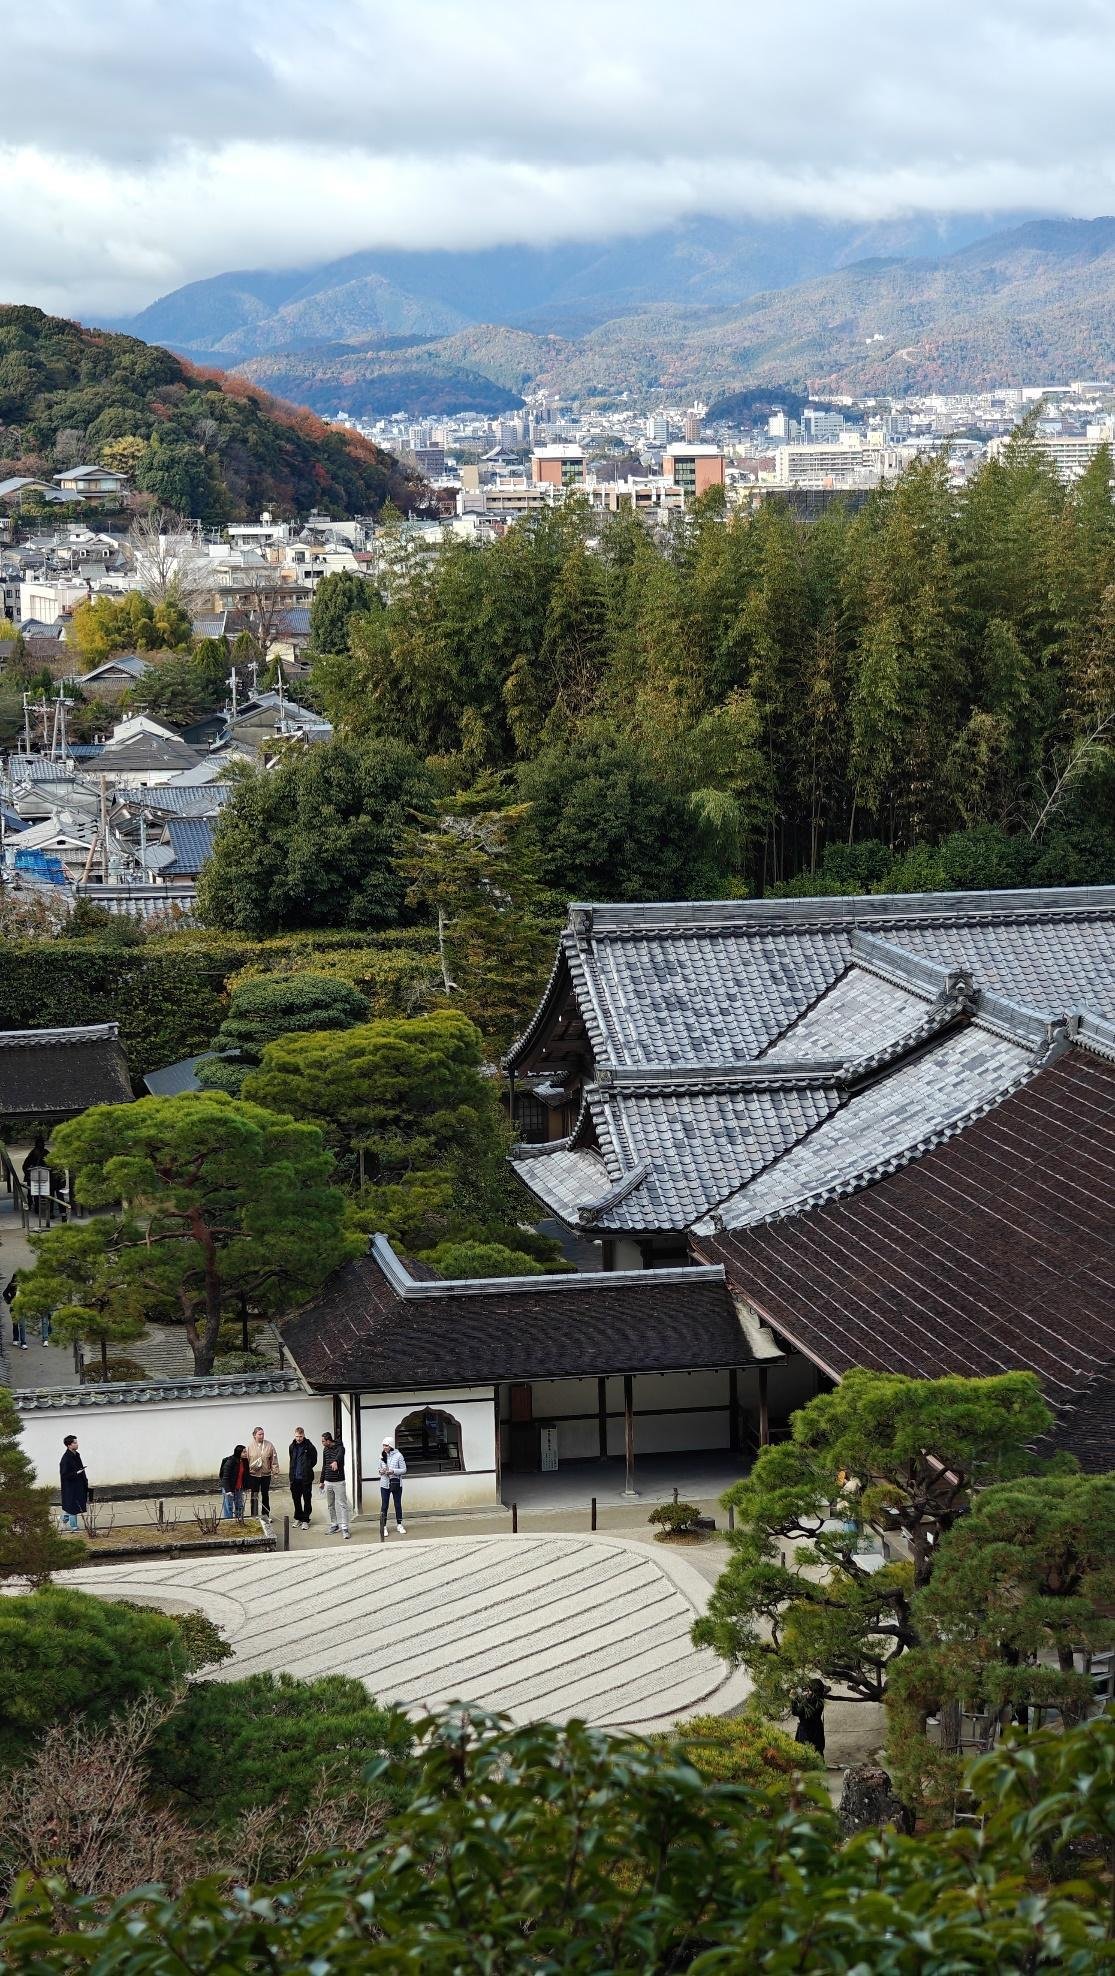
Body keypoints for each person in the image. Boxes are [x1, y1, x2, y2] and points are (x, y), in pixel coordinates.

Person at [320, 1429, 350, 1538]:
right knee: (330, 1505)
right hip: (328, 1481)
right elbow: (324, 1465)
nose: (322, 1443)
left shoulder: (340, 1447)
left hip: (339, 1482)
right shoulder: (325, 1450)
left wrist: (336, 1461)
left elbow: (340, 1455)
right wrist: (321, 1481)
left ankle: (345, 1528)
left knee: (342, 1505)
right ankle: (334, 1525)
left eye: (323, 1441)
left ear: (328, 1440)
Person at [247, 1424, 279, 1522]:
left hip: (266, 1474)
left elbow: (274, 1459)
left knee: (265, 1495)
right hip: (254, 1475)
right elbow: (246, 1460)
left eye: (263, 1434)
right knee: (254, 1495)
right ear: (254, 1435)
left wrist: (275, 1472)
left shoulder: (269, 1445)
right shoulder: (249, 1447)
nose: (262, 1436)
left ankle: (265, 1515)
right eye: (259, 1434)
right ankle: (254, 1516)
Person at [288, 1426, 318, 1528]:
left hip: (306, 1478)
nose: (298, 1438)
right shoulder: (292, 1447)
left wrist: (307, 1468)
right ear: (294, 1435)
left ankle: (305, 1520)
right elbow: (292, 1460)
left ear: (304, 1435)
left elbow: (314, 1460)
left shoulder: (309, 1447)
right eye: (297, 1436)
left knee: (307, 1499)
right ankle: (298, 1518)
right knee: (296, 1499)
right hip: (295, 1478)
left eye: (300, 1436)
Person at [59, 1434, 88, 1533]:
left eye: (76, 1442)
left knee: (74, 1506)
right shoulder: (66, 1458)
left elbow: (80, 1468)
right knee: (73, 1507)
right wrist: (76, 1473)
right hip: (70, 1487)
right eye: (74, 1443)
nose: (77, 1444)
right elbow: (64, 1475)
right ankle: (74, 1527)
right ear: (69, 1445)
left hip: (78, 1484)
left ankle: (63, 1520)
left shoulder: (77, 1455)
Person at [378, 1437, 407, 1536]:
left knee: (397, 1504)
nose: (384, 1447)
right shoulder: (382, 1455)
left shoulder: (399, 1455)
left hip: (396, 1483)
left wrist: (393, 1471)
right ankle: (384, 1526)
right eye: (383, 1445)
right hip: (384, 1484)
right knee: (384, 1505)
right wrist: (381, 1471)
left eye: (386, 1445)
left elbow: (404, 1470)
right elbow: (379, 1468)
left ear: (391, 1445)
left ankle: (399, 1524)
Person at [219, 1443, 249, 1520]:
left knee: (239, 1505)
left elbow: (246, 1475)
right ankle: (229, 1521)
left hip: (239, 1488)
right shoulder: (230, 1461)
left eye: (246, 1452)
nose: (246, 1453)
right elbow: (225, 1477)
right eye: (244, 1452)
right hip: (229, 1487)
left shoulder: (245, 1461)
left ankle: (239, 1521)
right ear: (239, 1452)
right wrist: (228, 1490)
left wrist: (247, 1487)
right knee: (229, 1506)